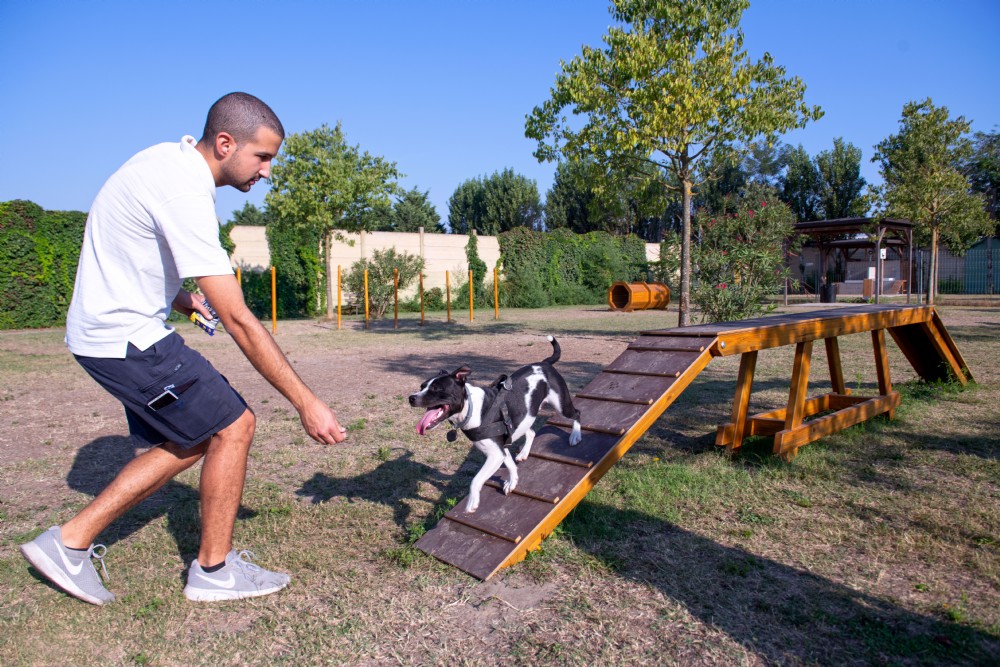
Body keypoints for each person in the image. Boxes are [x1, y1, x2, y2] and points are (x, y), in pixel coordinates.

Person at [20, 92, 347, 605]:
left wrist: (181, 297)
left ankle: (73, 543)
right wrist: (307, 403)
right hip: (125, 338)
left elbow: (129, 254)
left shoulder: (163, 161)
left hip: (106, 333)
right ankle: (201, 569)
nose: (266, 172)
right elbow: (239, 318)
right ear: (224, 143)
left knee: (192, 438)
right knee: (234, 424)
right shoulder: (185, 192)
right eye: (262, 157)